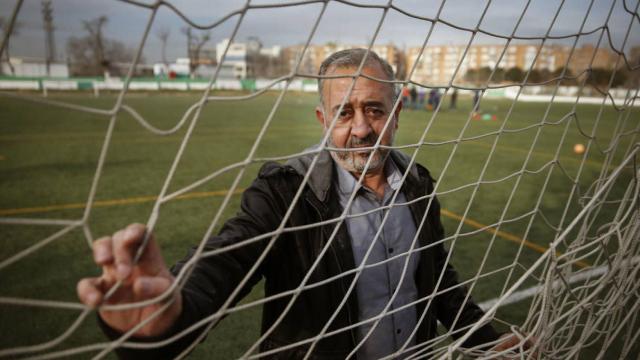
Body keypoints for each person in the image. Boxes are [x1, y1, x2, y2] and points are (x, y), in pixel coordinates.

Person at [77, 49, 534, 359]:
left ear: (395, 115)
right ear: (323, 119)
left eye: (374, 110)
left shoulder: (416, 184)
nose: (360, 129)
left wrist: (486, 342)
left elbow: (438, 282)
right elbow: (228, 258)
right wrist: (170, 312)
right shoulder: (286, 192)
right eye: (344, 113)